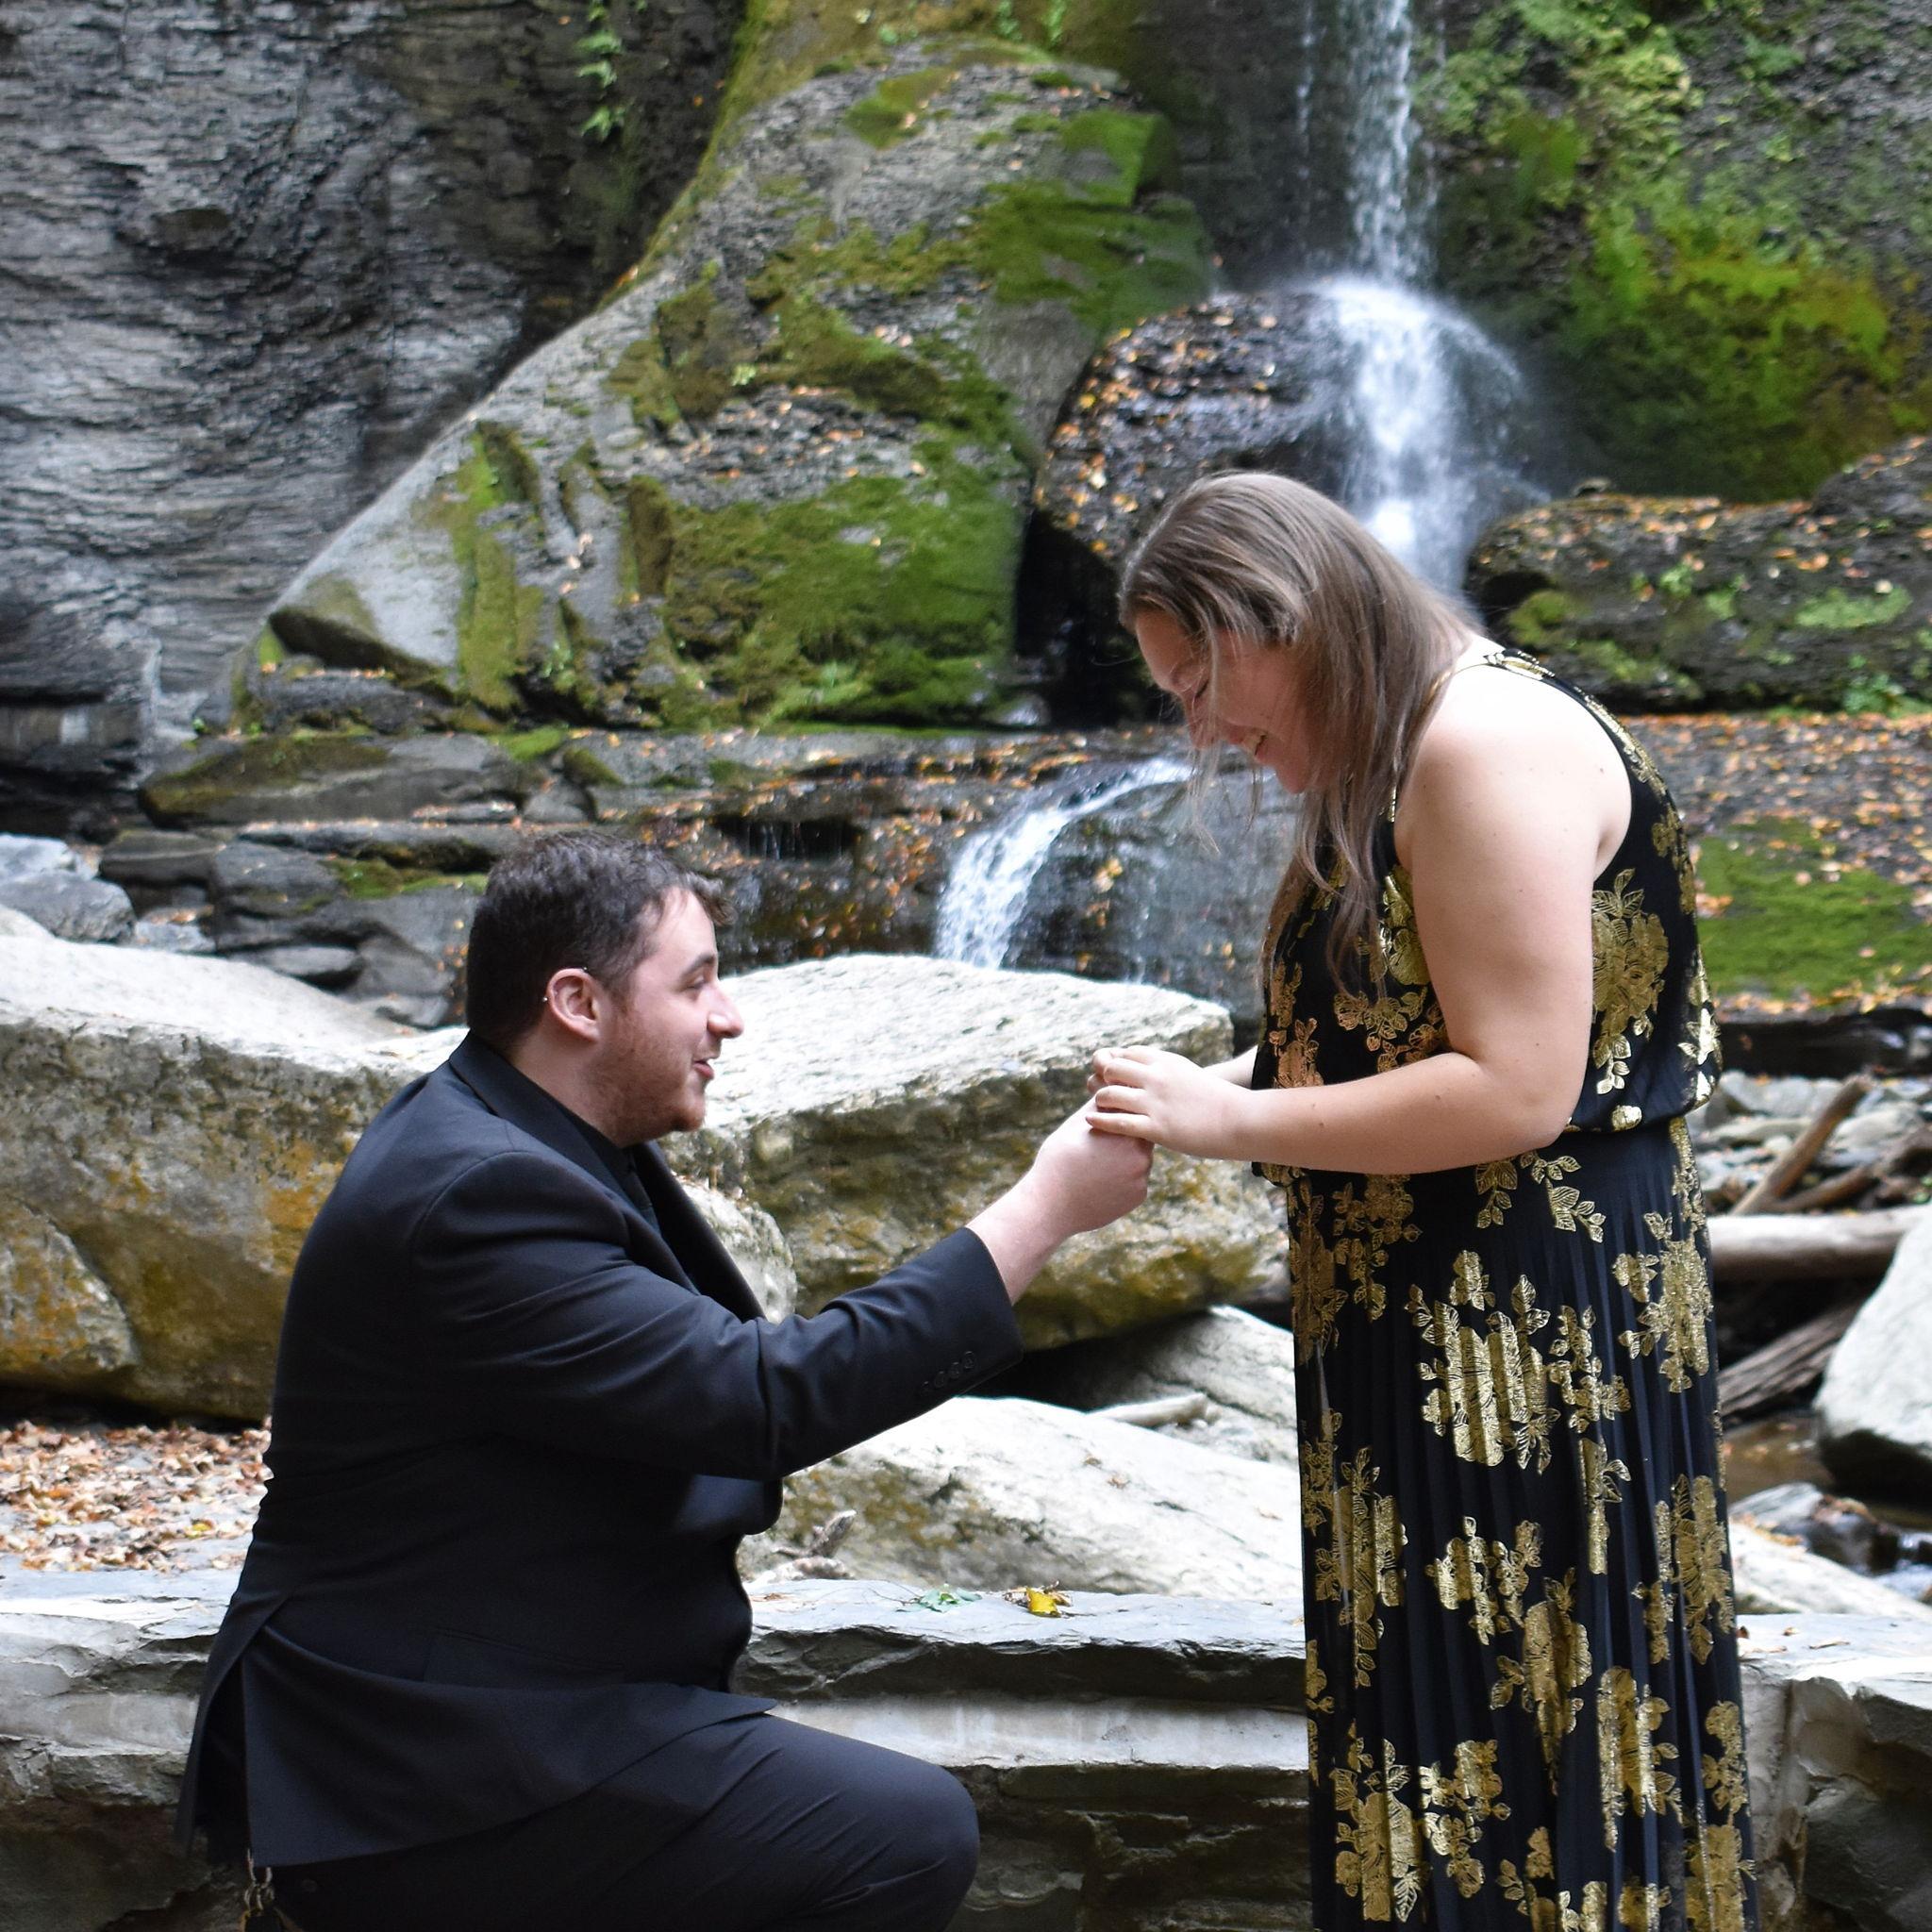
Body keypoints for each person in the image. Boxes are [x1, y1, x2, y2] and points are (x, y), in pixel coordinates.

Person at [175, 829, 1151, 1932]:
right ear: (577, 1003)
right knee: (905, 1831)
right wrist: (1044, 1208)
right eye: (695, 983)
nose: (727, 1017)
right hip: (412, 1764)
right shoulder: (476, 1193)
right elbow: (761, 1395)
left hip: (498, 1702)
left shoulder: (515, 1130)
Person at [1085, 474, 1758, 1932]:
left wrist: (1226, 1121)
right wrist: (1196, 1090)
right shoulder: (1409, 745)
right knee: (1461, 1750)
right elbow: (1398, 1032)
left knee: (1526, 1755)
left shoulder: (1477, 746)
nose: (1202, 729)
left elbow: (1516, 1085)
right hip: (1445, 1327)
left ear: (1281, 619)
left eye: (1199, 684)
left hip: (1520, 1343)